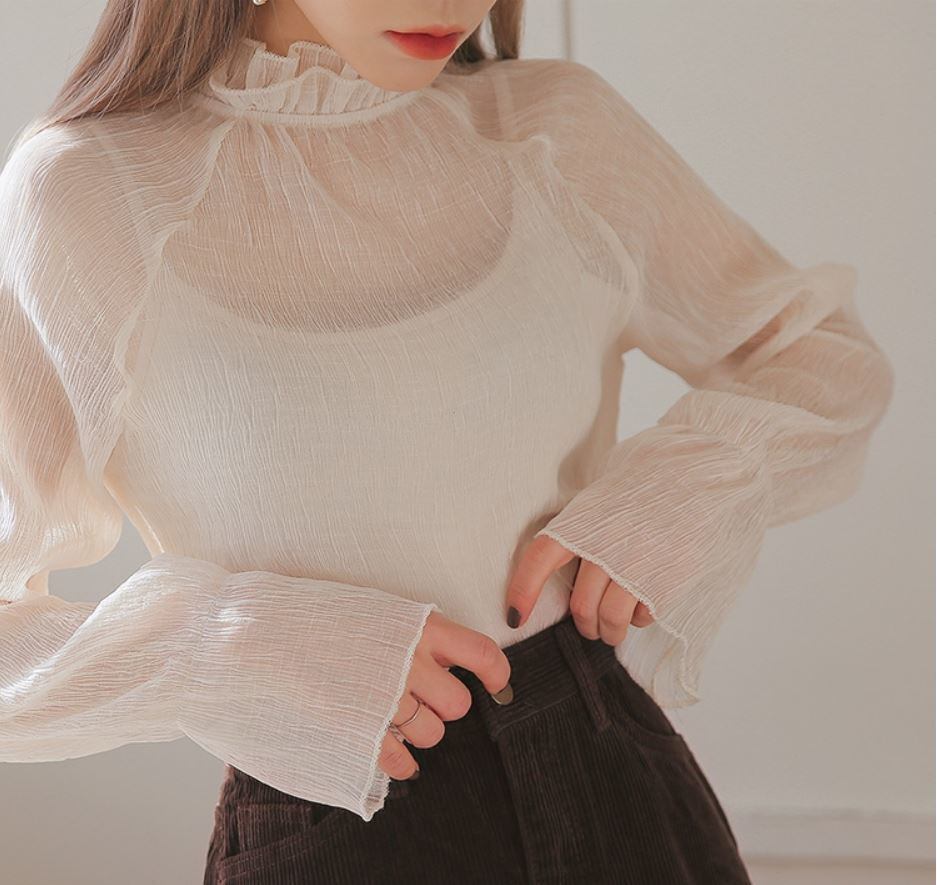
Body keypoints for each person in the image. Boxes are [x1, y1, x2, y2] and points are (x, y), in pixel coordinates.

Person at [0, 1, 894, 883]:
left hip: (616, 783)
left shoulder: (557, 130)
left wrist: (676, 492)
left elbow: (820, 357)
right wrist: (231, 640)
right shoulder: (88, 190)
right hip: (340, 817)